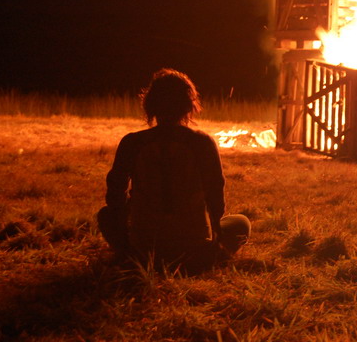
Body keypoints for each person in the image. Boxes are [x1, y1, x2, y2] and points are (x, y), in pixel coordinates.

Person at [97, 68, 250, 273]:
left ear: (149, 105)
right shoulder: (202, 142)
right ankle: (209, 255)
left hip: (145, 245)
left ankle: (131, 254)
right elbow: (216, 199)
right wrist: (215, 237)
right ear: (189, 105)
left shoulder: (132, 142)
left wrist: (135, 217)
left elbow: (114, 196)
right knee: (241, 222)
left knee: (106, 215)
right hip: (194, 246)